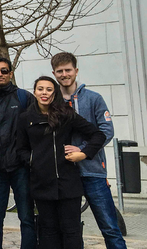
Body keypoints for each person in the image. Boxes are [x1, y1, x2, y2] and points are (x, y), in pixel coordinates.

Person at [16, 76, 106, 249]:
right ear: (34, 92)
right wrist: (34, 161)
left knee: (71, 230)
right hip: (41, 183)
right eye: (40, 89)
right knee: (48, 230)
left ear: (55, 92)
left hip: (68, 183)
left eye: (49, 89)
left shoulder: (66, 114)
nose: (44, 93)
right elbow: (21, 149)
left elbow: (98, 135)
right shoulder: (26, 118)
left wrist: (83, 153)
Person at [51, 52, 126, 249]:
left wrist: (83, 151)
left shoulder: (94, 99)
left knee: (109, 226)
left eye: (68, 70)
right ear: (54, 73)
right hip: (64, 174)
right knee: (70, 229)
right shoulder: (50, 102)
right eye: (60, 71)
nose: (64, 74)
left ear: (76, 71)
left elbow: (106, 130)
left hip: (93, 171)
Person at [0, 57, 36, 249]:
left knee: (27, 216)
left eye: (4, 71)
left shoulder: (24, 98)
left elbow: (34, 131)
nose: (0, 74)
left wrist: (27, 158)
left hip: (21, 167)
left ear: (10, 73)